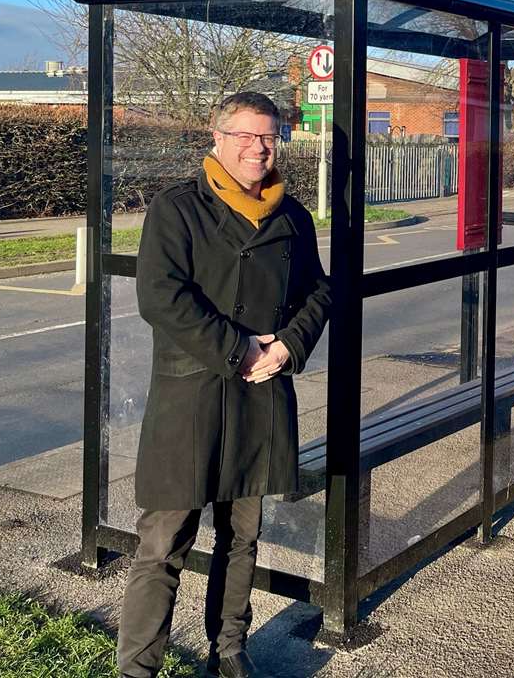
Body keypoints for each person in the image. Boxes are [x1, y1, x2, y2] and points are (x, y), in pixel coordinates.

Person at [118, 91, 331, 678]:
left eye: (268, 136)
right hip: (191, 394)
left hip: (261, 392)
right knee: (164, 543)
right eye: (245, 135)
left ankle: (229, 651)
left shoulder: (292, 215)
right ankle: (138, 669)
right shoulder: (177, 208)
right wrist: (239, 349)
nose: (258, 147)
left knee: (243, 536)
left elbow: (319, 290)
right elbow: (160, 297)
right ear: (217, 138)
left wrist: (288, 343)